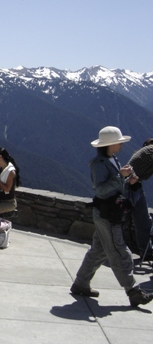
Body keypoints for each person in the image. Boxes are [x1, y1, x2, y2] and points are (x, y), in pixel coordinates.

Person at [71, 126, 152, 307]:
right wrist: (119, 177)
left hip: (108, 213)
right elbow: (100, 189)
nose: (122, 145)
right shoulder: (99, 163)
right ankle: (132, 291)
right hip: (107, 215)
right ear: (111, 144)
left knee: (98, 251)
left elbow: (113, 185)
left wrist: (127, 180)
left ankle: (80, 283)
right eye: (119, 142)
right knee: (119, 251)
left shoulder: (111, 159)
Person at [126, 138, 153, 260]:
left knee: (141, 219)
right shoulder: (151, 152)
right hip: (132, 186)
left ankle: (146, 252)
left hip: (130, 185)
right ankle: (146, 252)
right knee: (142, 219)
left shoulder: (146, 151)